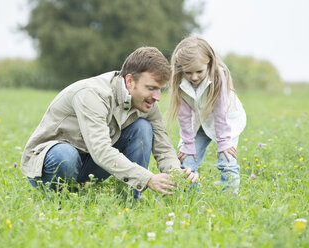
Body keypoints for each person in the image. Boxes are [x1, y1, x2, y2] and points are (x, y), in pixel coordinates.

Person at [20, 47, 198, 199]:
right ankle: (57, 199)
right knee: (66, 156)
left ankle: (129, 201)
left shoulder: (147, 102)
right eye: (151, 88)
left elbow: (163, 147)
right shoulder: (92, 95)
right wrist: (147, 178)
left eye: (160, 89)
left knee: (142, 128)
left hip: (88, 163)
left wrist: (177, 174)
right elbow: (101, 150)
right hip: (51, 162)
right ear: (129, 81)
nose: (157, 97)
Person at [167, 37, 246, 192]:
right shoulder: (178, 79)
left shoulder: (218, 76)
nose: (194, 77)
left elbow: (220, 111)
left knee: (227, 158)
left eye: (199, 71)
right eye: (188, 72)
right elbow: (183, 116)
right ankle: (190, 197)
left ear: (209, 63)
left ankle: (229, 199)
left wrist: (223, 142)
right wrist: (188, 144)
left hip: (226, 121)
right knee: (187, 160)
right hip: (200, 121)